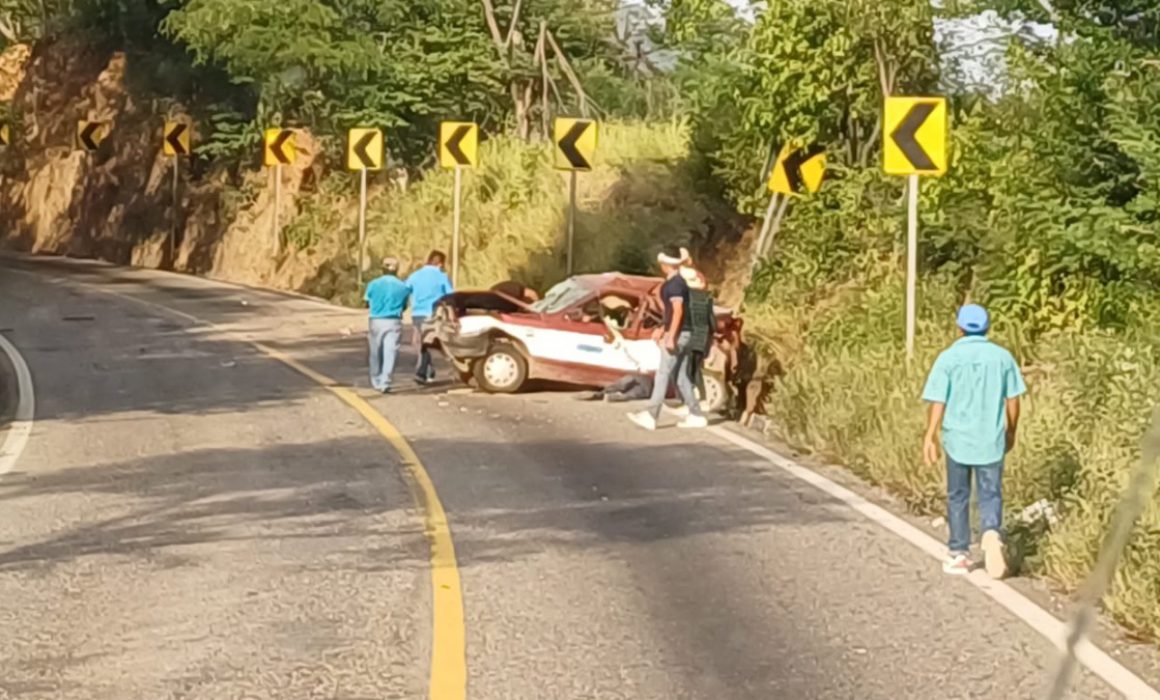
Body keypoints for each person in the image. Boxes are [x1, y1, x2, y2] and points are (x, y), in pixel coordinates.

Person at [922, 304, 1027, 579]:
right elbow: (1013, 400)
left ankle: (959, 553)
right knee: (990, 493)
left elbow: (938, 400)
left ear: (959, 327)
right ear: (987, 327)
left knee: (958, 495)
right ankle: (991, 532)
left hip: (957, 439)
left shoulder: (948, 358)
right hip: (990, 439)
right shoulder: (1003, 358)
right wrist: (1011, 430)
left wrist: (930, 435)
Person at [627, 248, 708, 430]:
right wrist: (662, 328)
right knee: (681, 377)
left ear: (666, 265)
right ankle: (695, 414)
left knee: (663, 373)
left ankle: (651, 415)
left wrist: (670, 336)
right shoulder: (678, 283)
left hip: (679, 334)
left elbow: (677, 311)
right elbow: (671, 313)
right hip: (686, 333)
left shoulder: (674, 285)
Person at [406, 250, 454, 384]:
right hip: (434, 314)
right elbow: (450, 296)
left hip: (417, 314)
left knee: (423, 343)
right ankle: (423, 372)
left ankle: (427, 370)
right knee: (432, 343)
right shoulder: (442, 276)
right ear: (440, 263)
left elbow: (406, 290)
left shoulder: (415, 275)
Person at [364, 257, 410, 394]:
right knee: (390, 352)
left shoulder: (373, 284)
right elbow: (405, 306)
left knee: (375, 352)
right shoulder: (403, 286)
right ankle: (385, 381)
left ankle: (375, 380)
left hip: (376, 320)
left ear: (382, 268)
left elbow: (366, 302)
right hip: (394, 321)